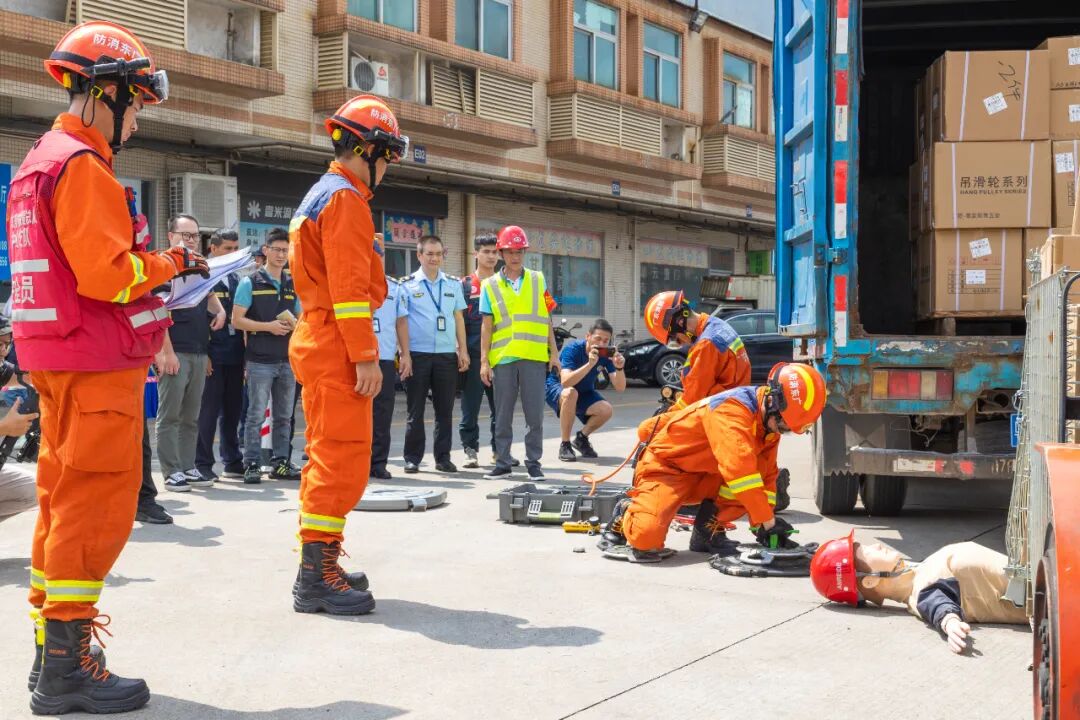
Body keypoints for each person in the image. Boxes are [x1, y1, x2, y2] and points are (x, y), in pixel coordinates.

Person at [10, 20, 207, 714]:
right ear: (105, 94)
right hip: (96, 368)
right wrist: (173, 264)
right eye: (136, 103)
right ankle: (66, 669)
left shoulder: (40, 160)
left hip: (59, 362)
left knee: (62, 509)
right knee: (94, 513)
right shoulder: (83, 166)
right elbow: (107, 274)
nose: (137, 121)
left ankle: (53, 654)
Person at [288, 93, 407, 615]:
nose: (388, 168)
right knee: (340, 461)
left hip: (321, 337)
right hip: (338, 344)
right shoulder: (345, 200)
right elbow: (352, 290)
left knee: (329, 457)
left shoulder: (324, 194)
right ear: (370, 149)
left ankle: (322, 563)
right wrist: (365, 356)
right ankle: (316, 576)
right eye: (388, 156)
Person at [600, 363, 826, 563]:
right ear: (772, 401)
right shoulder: (731, 411)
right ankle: (626, 511)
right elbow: (739, 471)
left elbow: (766, 475)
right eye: (784, 426)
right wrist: (768, 522)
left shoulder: (768, 424)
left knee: (751, 486)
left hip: (705, 473)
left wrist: (764, 526)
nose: (783, 432)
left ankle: (707, 532)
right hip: (667, 469)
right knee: (646, 539)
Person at [643, 290, 769, 545]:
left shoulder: (706, 346)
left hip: (716, 419)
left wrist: (663, 421)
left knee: (646, 431)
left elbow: (692, 401)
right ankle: (708, 530)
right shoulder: (719, 329)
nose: (680, 341)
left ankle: (697, 521)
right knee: (725, 474)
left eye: (675, 338)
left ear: (678, 320)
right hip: (732, 416)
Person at [810, 532, 1028, 654]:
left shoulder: (920, 571)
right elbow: (937, 604)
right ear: (869, 580)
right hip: (1050, 595)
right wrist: (950, 623)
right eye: (866, 553)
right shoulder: (920, 590)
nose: (876, 547)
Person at [480, 226, 560, 480]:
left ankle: (533, 462)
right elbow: (487, 325)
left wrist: (554, 353)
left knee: (534, 414)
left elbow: (547, 317)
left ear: (524, 252)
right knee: (502, 414)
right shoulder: (489, 285)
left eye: (519, 251)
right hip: (503, 358)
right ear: (502, 252)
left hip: (534, 357)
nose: (515, 256)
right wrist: (484, 360)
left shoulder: (538, 279)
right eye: (510, 252)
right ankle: (502, 461)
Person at [154, 215, 227, 492]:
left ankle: (188, 466)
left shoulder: (198, 265)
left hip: (198, 349)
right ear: (170, 235)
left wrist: (219, 310)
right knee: (170, 415)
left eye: (195, 236)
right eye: (185, 235)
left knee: (190, 416)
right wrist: (166, 352)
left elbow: (208, 294)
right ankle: (171, 470)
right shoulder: (163, 266)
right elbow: (157, 311)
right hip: (175, 351)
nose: (191, 240)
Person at [232, 228, 302, 484]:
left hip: (287, 360)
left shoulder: (292, 283)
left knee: (285, 416)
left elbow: (302, 316)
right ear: (266, 250)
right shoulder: (249, 282)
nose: (282, 254)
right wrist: (268, 327)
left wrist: (296, 325)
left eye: (286, 250)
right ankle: (251, 463)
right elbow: (237, 320)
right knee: (256, 414)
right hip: (260, 361)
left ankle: (281, 462)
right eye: (277, 249)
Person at [400, 235, 468, 474]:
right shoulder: (406, 285)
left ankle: (443, 457)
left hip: (446, 356)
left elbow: (458, 318)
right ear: (419, 255)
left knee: (444, 410)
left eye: (438, 254)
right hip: (417, 355)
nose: (434, 258)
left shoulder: (453, 284)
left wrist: (463, 350)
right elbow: (402, 322)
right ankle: (412, 458)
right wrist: (404, 354)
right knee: (415, 410)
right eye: (429, 253)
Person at [195, 229, 246, 481]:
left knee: (233, 409)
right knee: (208, 412)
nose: (232, 253)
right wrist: (205, 354)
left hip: (235, 354)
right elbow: (198, 319)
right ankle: (203, 463)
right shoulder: (203, 277)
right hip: (212, 355)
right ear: (213, 249)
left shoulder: (236, 278)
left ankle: (232, 460)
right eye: (227, 248)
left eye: (236, 248)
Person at [547, 319, 626, 461]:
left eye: (606, 340)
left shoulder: (606, 355)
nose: (601, 344)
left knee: (606, 409)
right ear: (587, 336)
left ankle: (581, 438)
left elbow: (620, 387)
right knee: (571, 393)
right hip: (558, 388)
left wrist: (619, 367)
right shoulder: (573, 349)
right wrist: (590, 365)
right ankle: (565, 444)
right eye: (598, 339)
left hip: (584, 391)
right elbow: (565, 382)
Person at [458, 232, 499, 469]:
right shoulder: (465, 286)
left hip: (500, 356)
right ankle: (470, 450)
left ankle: (498, 451)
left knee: (500, 409)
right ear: (476, 254)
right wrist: (461, 351)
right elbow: (458, 322)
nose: (491, 256)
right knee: (470, 407)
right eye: (486, 251)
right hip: (473, 357)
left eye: (495, 252)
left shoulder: (503, 285)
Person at [371, 257, 410, 479]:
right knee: (357, 415)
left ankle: (378, 463)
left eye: (379, 256)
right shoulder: (350, 283)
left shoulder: (394, 288)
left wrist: (405, 354)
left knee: (382, 414)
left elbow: (401, 322)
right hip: (357, 359)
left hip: (384, 358)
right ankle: (357, 462)